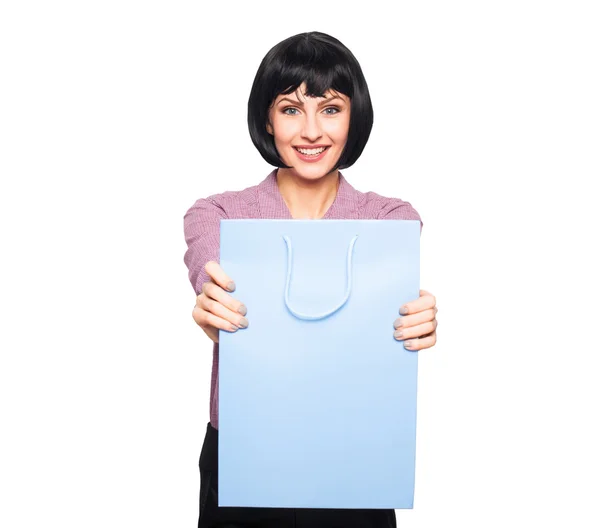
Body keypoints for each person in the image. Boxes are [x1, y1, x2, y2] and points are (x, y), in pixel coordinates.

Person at [183, 31, 438, 528]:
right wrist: (211, 304)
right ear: (267, 118)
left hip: (355, 449)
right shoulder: (218, 214)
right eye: (291, 109)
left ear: (353, 118)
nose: (311, 131)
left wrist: (417, 321)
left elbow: (392, 305)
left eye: (331, 108)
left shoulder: (390, 219)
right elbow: (209, 270)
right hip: (247, 447)